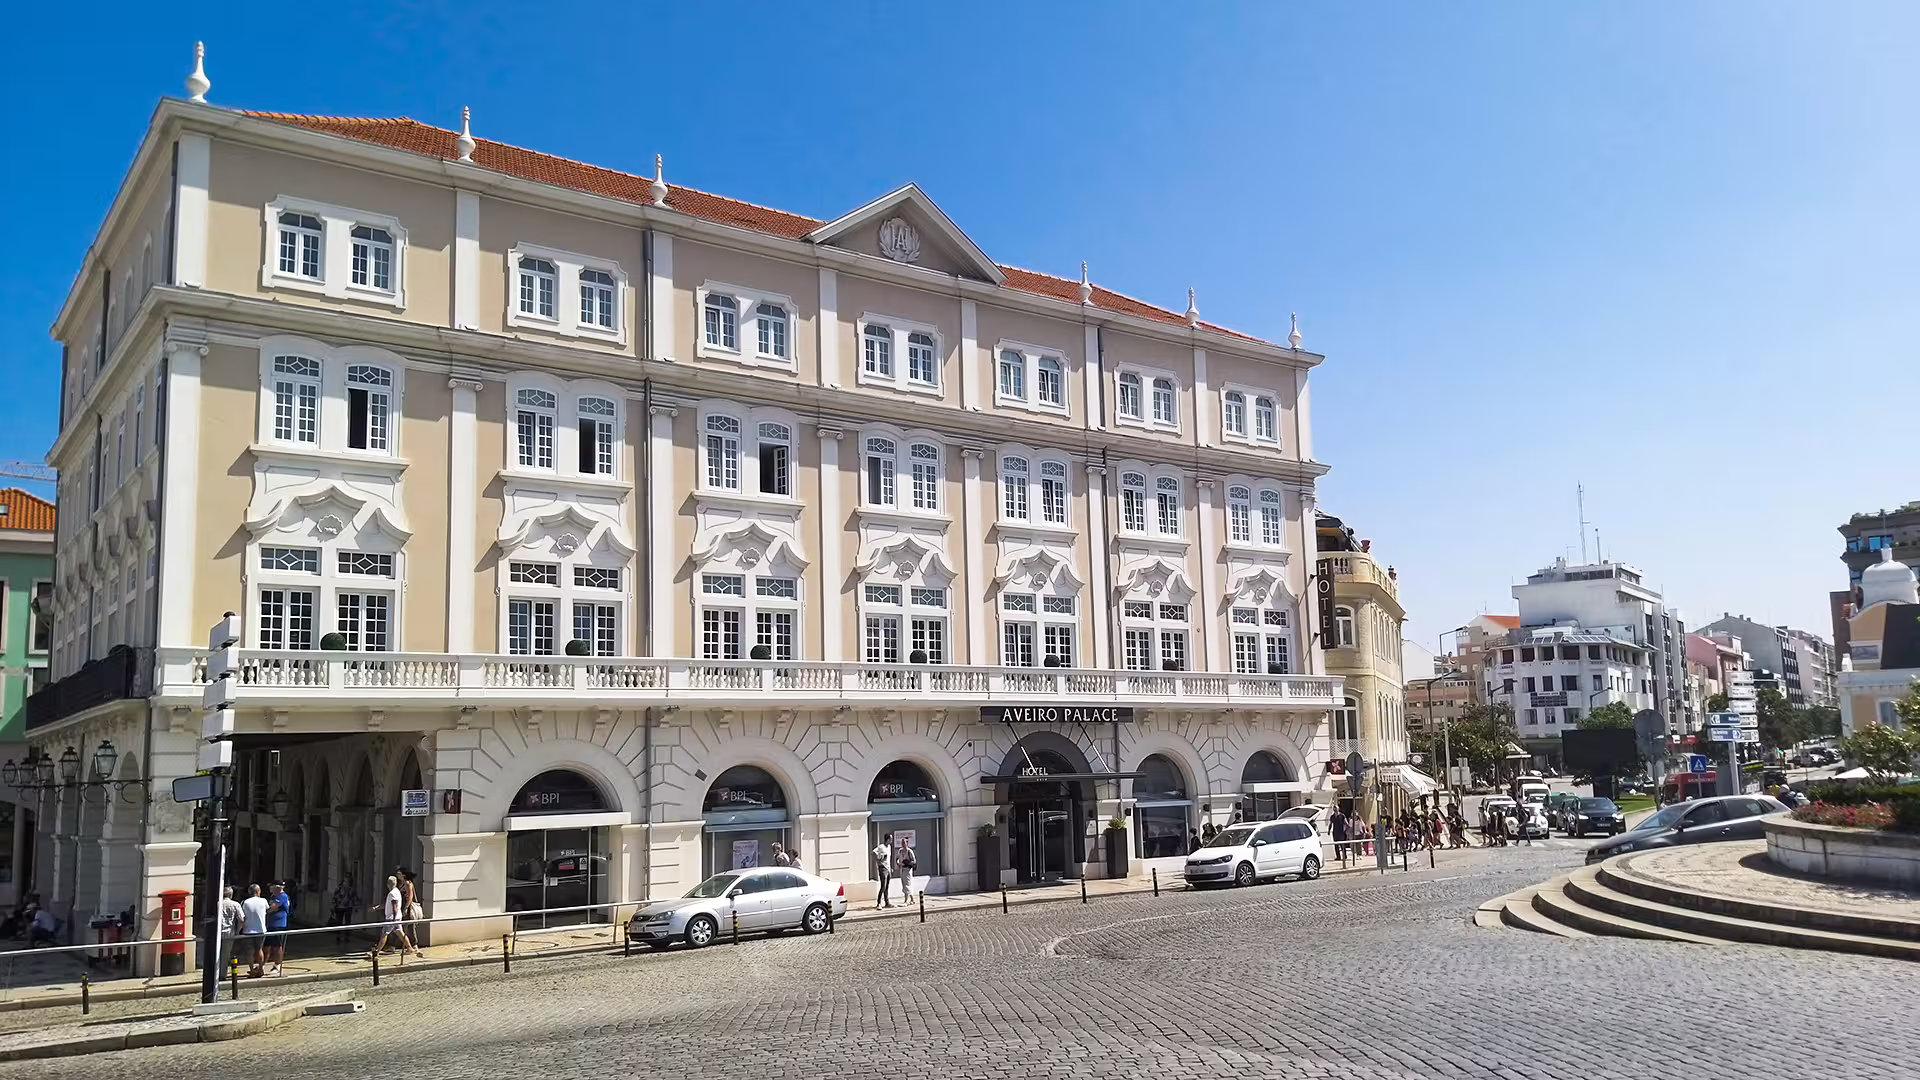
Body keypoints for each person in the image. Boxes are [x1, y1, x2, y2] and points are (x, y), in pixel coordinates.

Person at [369, 875, 422, 959]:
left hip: (391, 918)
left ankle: (376, 952)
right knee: (400, 933)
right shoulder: (397, 891)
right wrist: (376, 908)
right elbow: (389, 905)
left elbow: (395, 906)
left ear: (388, 884)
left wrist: (393, 917)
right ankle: (410, 948)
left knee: (384, 934)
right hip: (397, 917)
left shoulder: (392, 894)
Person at [240, 884, 270, 977]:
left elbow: (242, 916)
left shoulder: (245, 902)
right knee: (259, 950)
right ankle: (261, 969)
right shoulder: (263, 901)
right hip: (261, 929)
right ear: (258, 891)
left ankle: (252, 970)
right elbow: (267, 909)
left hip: (248, 930)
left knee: (249, 951)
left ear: (249, 892)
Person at [264, 882, 293, 976]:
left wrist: (267, 910)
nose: (269, 888)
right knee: (266, 946)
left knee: (277, 946)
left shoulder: (282, 896)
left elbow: (273, 908)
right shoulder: (273, 896)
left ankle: (277, 965)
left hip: (279, 924)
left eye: (271, 886)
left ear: (277, 887)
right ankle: (262, 965)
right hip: (270, 924)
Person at [217, 886, 245, 978]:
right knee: (225, 955)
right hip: (229, 933)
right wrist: (237, 931)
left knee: (216, 954)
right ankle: (222, 975)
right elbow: (242, 919)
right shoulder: (235, 904)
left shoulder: (217, 903)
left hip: (217, 933)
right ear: (231, 895)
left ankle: (215, 974)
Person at [330, 875, 359, 948]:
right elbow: (334, 898)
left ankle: (347, 937)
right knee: (339, 922)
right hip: (339, 907)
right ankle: (338, 937)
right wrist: (333, 907)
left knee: (347, 922)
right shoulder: (339, 889)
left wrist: (355, 906)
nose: (346, 883)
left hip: (348, 907)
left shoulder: (351, 890)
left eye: (348, 881)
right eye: (345, 881)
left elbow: (354, 898)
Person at [870, 835, 893, 909]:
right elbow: (873, 852)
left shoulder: (889, 847)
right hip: (882, 868)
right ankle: (878, 903)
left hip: (888, 868)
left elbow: (889, 858)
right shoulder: (881, 847)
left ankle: (887, 902)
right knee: (883, 886)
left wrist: (890, 867)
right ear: (887, 839)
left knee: (887, 886)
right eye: (890, 839)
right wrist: (878, 861)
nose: (891, 840)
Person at [893, 839, 916, 903]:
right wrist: (898, 863)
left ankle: (906, 900)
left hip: (907, 869)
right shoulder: (900, 851)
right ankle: (912, 899)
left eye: (904, 842)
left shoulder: (909, 851)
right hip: (902, 869)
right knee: (904, 884)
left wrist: (907, 863)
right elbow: (897, 858)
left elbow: (914, 861)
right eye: (902, 843)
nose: (903, 844)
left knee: (907, 884)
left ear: (907, 843)